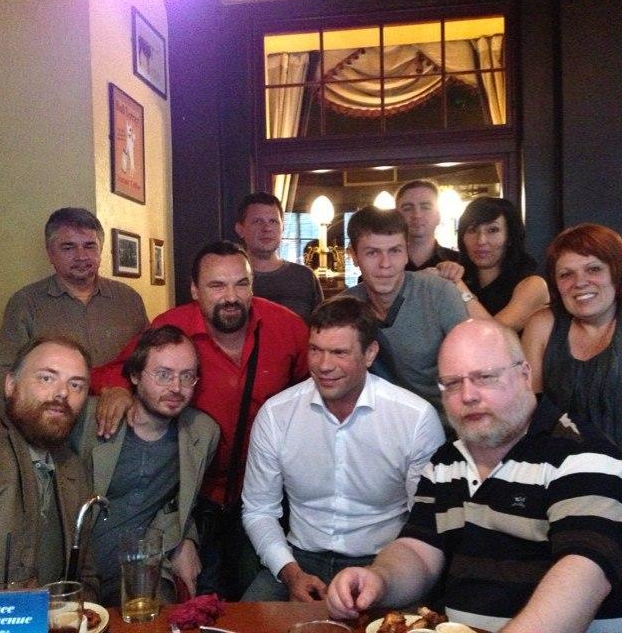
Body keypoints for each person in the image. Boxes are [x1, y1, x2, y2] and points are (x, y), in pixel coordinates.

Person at [327, 319, 622, 633]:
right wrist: (380, 579)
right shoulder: (446, 461)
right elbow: (419, 551)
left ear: (525, 374)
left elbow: (583, 574)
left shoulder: (583, 455)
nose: (468, 395)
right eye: (453, 383)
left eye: (485, 377)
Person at [91, 240, 309, 598]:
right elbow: (120, 370)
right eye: (216, 285)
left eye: (241, 284)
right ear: (194, 290)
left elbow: (311, 393)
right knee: (201, 597)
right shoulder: (171, 325)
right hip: (196, 495)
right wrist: (117, 389)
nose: (231, 297)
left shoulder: (287, 327)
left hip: (264, 492)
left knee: (255, 597)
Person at [241, 296, 444, 601]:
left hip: (384, 563)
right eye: (315, 350)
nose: (324, 365)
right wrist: (290, 573)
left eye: (339, 352)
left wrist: (384, 574)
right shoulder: (276, 414)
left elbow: (426, 520)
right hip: (299, 560)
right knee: (235, 622)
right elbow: (259, 509)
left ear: (370, 353)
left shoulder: (414, 418)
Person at [71, 325, 219, 606]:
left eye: (187, 376)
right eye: (163, 374)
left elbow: (180, 502)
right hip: (74, 571)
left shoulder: (202, 433)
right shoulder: (88, 420)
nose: (176, 388)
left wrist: (186, 538)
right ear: (135, 375)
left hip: (141, 574)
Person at [0, 207, 148, 401]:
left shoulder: (129, 299)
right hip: (54, 414)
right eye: (68, 247)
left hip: (123, 413)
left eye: (89, 246)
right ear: (50, 253)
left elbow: (149, 362)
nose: (81, 256)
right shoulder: (25, 303)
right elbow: (0, 381)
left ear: (101, 249)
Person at [0, 336, 98, 597]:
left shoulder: (73, 468)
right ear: (10, 384)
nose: (62, 393)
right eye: (47, 378)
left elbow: (86, 576)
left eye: (76, 385)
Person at [343, 206, 468, 420]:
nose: (385, 264)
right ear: (353, 256)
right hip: (375, 424)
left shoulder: (439, 295)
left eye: (395, 251)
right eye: (372, 252)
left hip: (445, 425)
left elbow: (472, 369)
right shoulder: (344, 307)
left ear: (406, 252)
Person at [522, 223, 622, 447]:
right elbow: (527, 411)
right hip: (559, 462)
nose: (580, 282)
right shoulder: (542, 325)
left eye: (593, 269)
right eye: (566, 274)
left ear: (616, 273)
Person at [436, 197, 548, 332]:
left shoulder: (532, 285)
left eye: (492, 230)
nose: (481, 240)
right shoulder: (463, 280)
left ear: (510, 237)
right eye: (472, 230)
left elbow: (495, 334)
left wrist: (458, 286)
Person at [235, 192, 323, 321]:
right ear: (240, 229)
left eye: (273, 221)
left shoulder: (304, 277)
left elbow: (321, 327)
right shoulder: (231, 278)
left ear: (282, 228)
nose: (267, 228)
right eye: (258, 221)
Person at [394, 180, 459, 271]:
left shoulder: (460, 262)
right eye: (408, 208)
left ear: (438, 216)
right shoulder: (385, 264)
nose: (417, 215)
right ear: (397, 216)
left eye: (425, 207)